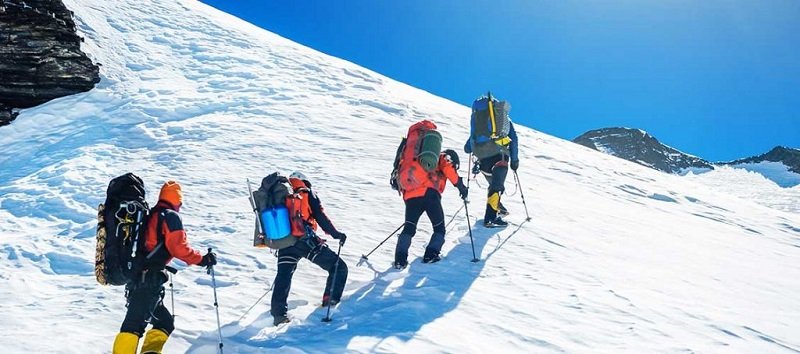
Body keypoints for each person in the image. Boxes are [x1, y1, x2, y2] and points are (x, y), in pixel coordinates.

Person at [113, 181, 217, 354]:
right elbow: (179, 248)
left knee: (164, 322)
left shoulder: (152, 214)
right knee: (133, 325)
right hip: (148, 280)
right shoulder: (170, 216)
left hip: (140, 278)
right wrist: (203, 259)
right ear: (178, 200)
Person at [271, 171, 348, 326]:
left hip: (284, 243)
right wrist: (336, 234)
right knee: (338, 267)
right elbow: (319, 215)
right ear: (304, 181)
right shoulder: (305, 191)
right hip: (304, 240)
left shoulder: (279, 194)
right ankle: (330, 301)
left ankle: (278, 315)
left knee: (283, 276)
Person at [392, 144, 468, 269]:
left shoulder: (419, 160)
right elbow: (447, 168)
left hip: (411, 196)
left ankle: (400, 260)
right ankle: (430, 255)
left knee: (409, 228)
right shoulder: (443, 157)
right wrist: (460, 185)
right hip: (430, 194)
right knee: (439, 229)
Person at [464, 94, 520, 228]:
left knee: (495, 184)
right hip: (499, 156)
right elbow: (514, 139)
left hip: (482, 160)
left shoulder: (477, 122)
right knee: (497, 186)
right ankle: (490, 218)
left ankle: (498, 207)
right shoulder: (503, 121)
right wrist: (515, 160)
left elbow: (467, 147)